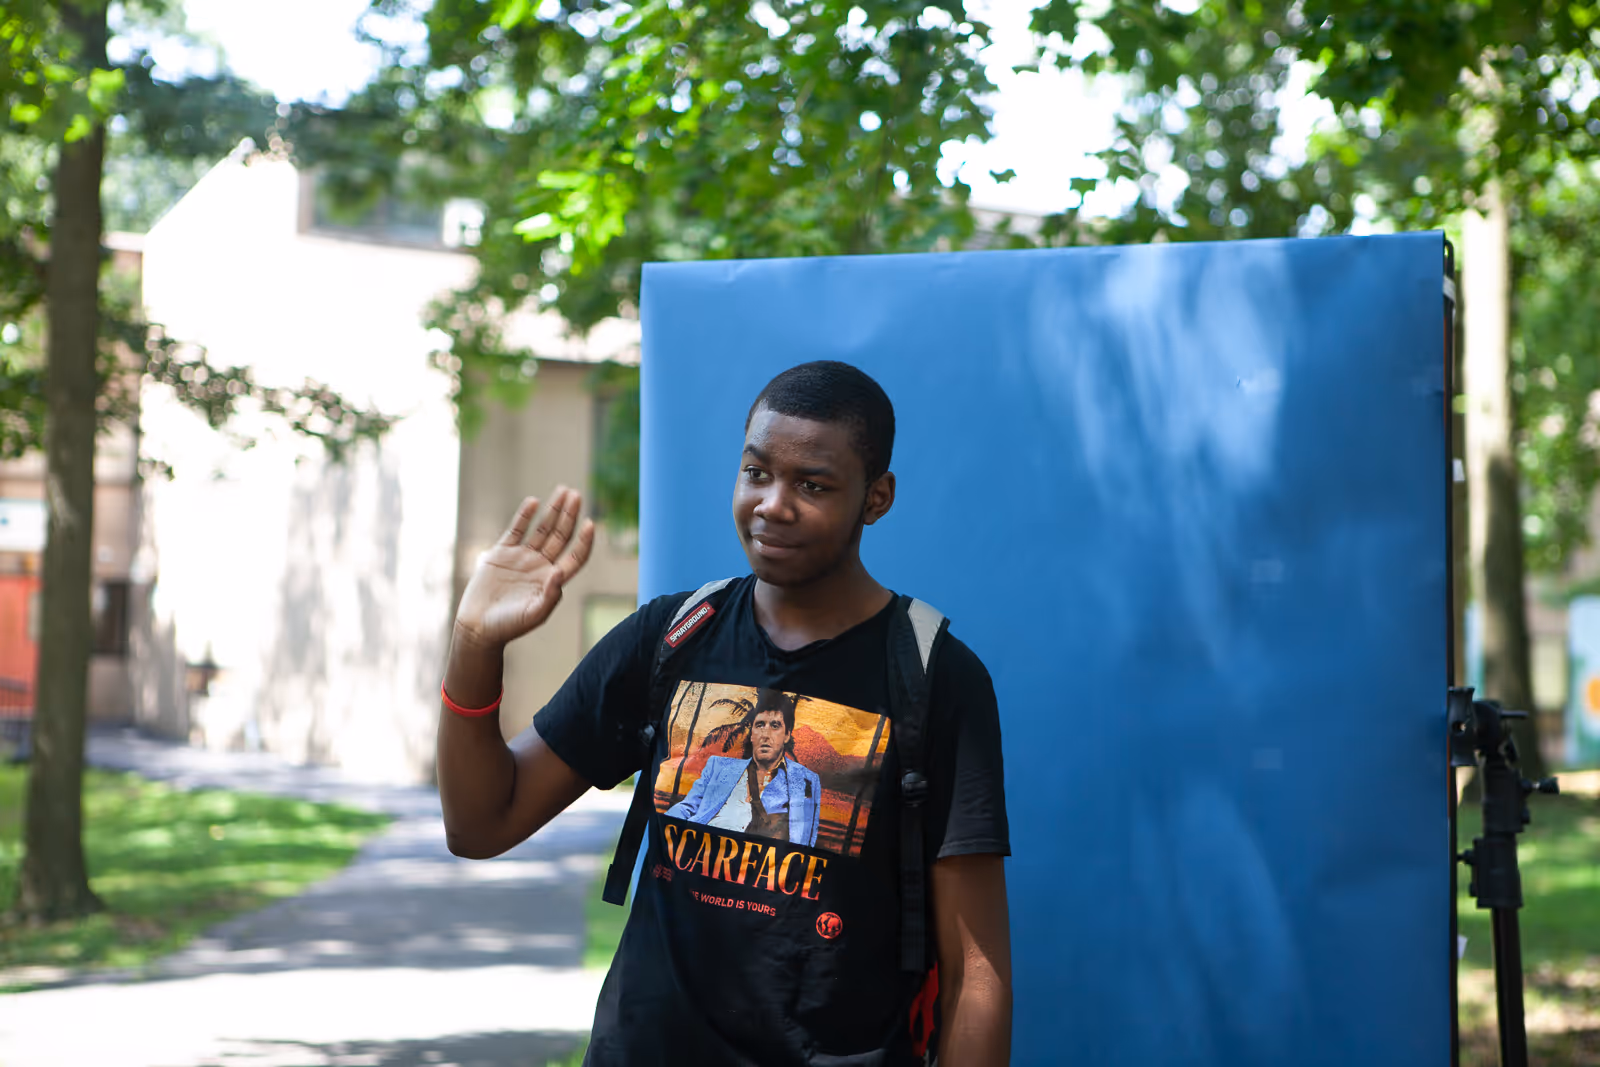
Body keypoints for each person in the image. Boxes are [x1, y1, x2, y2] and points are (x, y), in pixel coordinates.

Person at [438, 360, 1012, 1065]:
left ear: (876, 497)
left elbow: (977, 975)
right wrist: (474, 643)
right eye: (756, 472)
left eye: (814, 484)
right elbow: (479, 821)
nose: (773, 503)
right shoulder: (671, 636)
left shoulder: (935, 676)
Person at [666, 689, 823, 846]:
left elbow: (806, 839)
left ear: (787, 735)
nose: (765, 734)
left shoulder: (805, 781)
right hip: (702, 849)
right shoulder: (718, 767)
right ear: (752, 734)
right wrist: (662, 827)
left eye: (775, 726)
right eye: (760, 725)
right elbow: (687, 807)